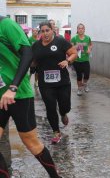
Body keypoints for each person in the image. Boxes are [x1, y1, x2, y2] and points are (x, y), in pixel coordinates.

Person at [0, 17, 61, 177]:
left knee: (31, 143)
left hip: (18, 94)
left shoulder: (6, 25)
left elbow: (27, 53)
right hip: (0, 96)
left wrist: (13, 87)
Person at [31, 21, 77, 144]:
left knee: (65, 105)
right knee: (50, 107)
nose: (45, 33)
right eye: (43, 31)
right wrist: (30, 67)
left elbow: (74, 53)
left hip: (62, 82)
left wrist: (68, 61)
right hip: (45, 83)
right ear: (40, 32)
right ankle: (56, 132)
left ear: (52, 31)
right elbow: (34, 61)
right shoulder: (36, 46)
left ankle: (63, 113)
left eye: (47, 30)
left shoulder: (60, 41)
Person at [71, 23, 93, 96]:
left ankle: (85, 84)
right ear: (77, 30)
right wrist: (76, 46)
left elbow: (90, 44)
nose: (80, 30)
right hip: (77, 60)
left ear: (84, 30)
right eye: (79, 28)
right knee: (79, 75)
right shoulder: (74, 38)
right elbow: (70, 48)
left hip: (85, 59)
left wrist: (89, 49)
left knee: (87, 74)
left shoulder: (87, 38)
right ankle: (79, 89)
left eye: (82, 28)